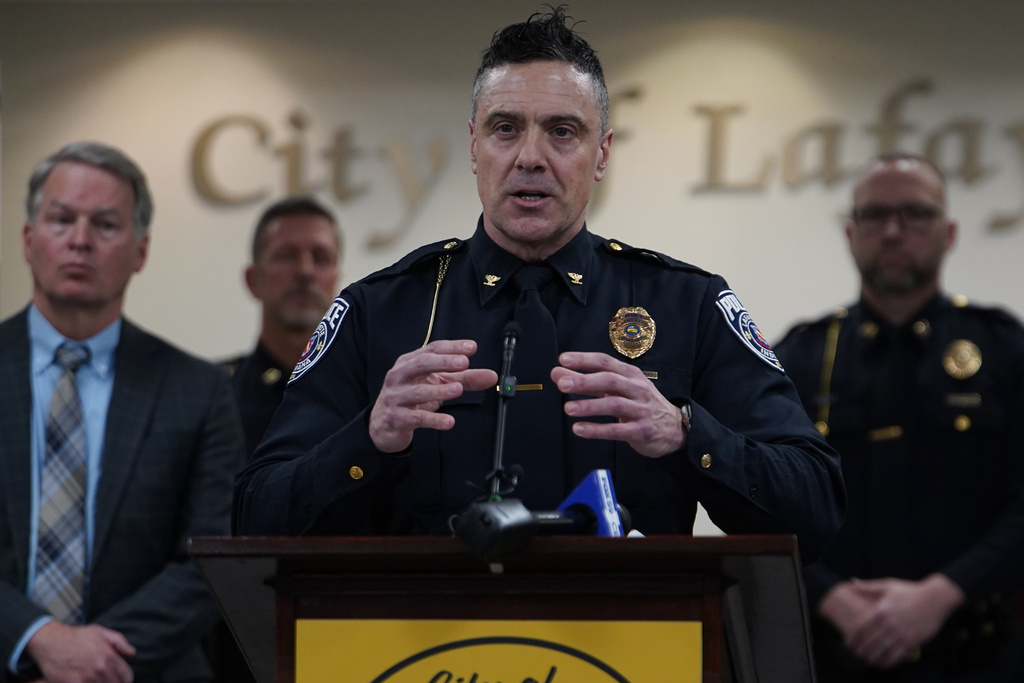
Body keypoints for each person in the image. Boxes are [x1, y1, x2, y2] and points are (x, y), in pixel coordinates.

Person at [234, 8, 844, 563]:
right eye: (505, 129)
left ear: (601, 154)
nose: (530, 156)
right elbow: (255, 517)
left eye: (561, 131)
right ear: (474, 146)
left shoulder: (687, 304)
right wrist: (366, 440)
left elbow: (816, 504)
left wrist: (685, 436)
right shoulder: (378, 310)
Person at [0, 142, 244, 683]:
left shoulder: (199, 389)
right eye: (61, 219)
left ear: (140, 251)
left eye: (106, 225)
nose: (80, 240)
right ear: (27, 239)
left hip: (143, 669)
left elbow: (212, 557)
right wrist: (37, 637)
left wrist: (92, 659)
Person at [775, 153, 1024, 681]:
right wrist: (833, 595)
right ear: (849, 232)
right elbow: (766, 503)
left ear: (950, 231)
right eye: (874, 215)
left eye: (915, 213)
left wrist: (938, 596)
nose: (893, 231)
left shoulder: (1005, 351)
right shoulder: (799, 358)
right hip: (828, 653)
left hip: (979, 655)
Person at [226, 196, 342, 458]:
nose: (305, 271)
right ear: (252, 280)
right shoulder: (212, 399)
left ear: (337, 280)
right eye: (286, 256)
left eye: (321, 258)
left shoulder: (369, 397)